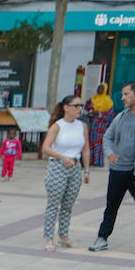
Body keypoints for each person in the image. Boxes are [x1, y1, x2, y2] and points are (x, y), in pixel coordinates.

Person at [88, 82, 135, 258]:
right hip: (118, 170)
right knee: (111, 206)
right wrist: (110, 153)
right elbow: (107, 136)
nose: (123, 98)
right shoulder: (121, 116)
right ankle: (102, 238)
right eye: (123, 94)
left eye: (126, 94)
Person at [41, 96, 91, 251]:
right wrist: (62, 157)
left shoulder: (82, 126)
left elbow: (86, 148)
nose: (79, 109)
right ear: (66, 107)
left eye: (81, 106)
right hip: (58, 166)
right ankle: (49, 238)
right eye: (76, 105)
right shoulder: (57, 126)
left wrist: (86, 169)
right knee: (53, 204)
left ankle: (64, 235)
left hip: (75, 167)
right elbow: (46, 147)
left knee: (68, 204)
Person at [85, 83, 115, 167]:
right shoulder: (92, 99)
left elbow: (111, 115)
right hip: (92, 124)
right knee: (90, 141)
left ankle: (97, 161)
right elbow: (85, 109)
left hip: (101, 126)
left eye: (102, 88)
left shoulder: (108, 101)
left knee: (99, 142)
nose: (99, 90)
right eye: (98, 88)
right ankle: (89, 160)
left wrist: (99, 113)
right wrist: (89, 113)